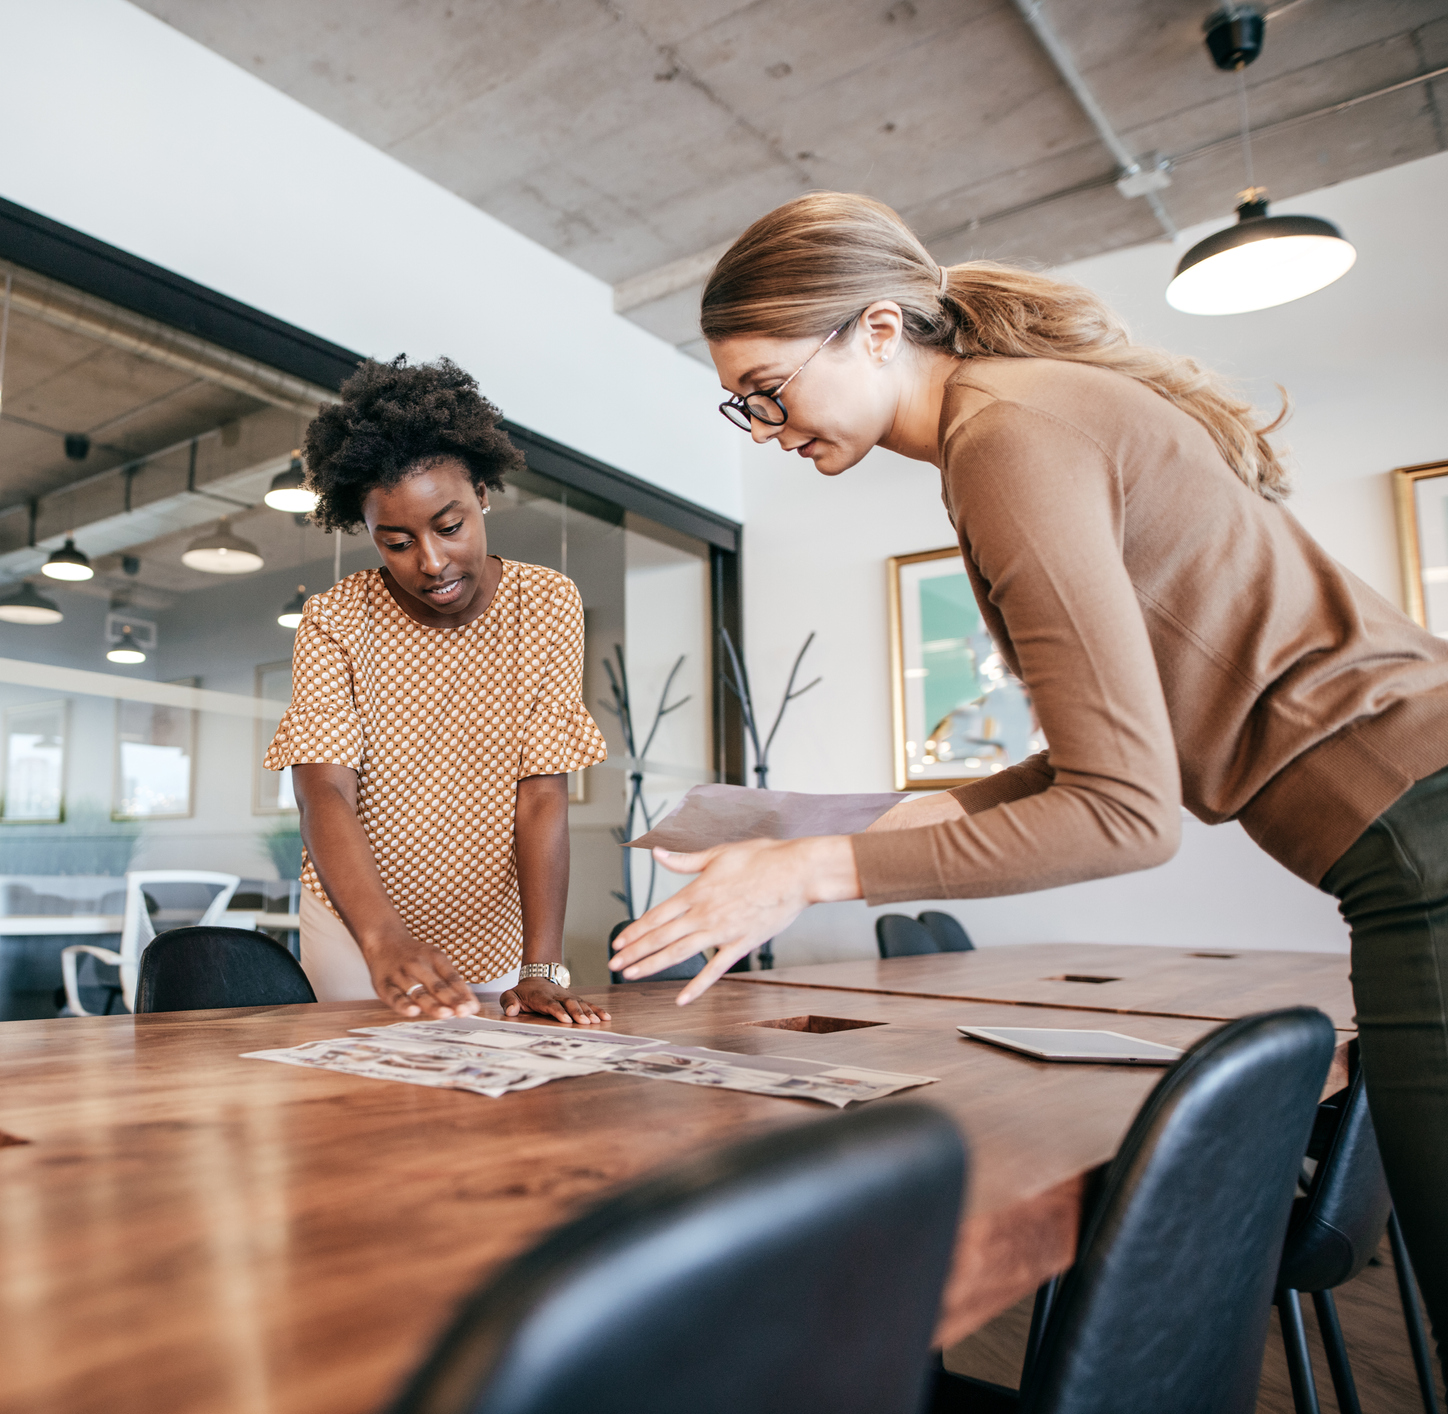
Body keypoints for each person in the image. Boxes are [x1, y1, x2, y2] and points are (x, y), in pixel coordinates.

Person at [610, 191, 1448, 1337]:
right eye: (739, 405)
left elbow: (1122, 814)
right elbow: (1109, 760)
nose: (763, 428)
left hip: (1421, 841)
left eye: (768, 390)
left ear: (874, 328)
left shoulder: (1004, 435)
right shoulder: (1017, 416)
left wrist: (810, 870)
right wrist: (898, 817)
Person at [265, 356, 612, 1025]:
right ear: (367, 533)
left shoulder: (545, 604)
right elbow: (323, 790)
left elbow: (541, 793)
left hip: (498, 936)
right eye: (395, 542)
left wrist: (540, 968)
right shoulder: (336, 618)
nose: (429, 561)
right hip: (359, 932)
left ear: (482, 493)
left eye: (448, 526)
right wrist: (381, 938)